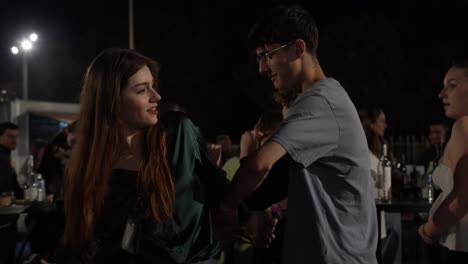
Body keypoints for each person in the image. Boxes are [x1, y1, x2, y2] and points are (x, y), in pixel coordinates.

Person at [221, 5, 377, 263]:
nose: (262, 68)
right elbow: (308, 186)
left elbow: (260, 164)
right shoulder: (325, 99)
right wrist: (269, 210)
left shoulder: (319, 103)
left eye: (267, 55)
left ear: (298, 49)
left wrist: (226, 208)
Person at [63, 48, 180, 263]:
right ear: (112, 101)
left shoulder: (171, 146)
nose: (157, 96)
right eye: (142, 90)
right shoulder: (85, 166)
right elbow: (78, 242)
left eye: (153, 86)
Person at [418, 55, 468, 262]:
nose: (441, 94)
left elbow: (461, 198)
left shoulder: (464, 127)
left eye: (452, 85)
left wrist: (428, 231)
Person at [359, 107, 402, 264]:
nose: (385, 125)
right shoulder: (363, 149)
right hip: (371, 206)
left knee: (394, 217)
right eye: (381, 121)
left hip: (380, 202)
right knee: (394, 219)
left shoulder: (381, 147)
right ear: (371, 124)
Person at [0, 121, 21, 197]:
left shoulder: (5, 154)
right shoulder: (2, 156)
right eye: (10, 136)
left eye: (16, 136)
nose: (15, 140)